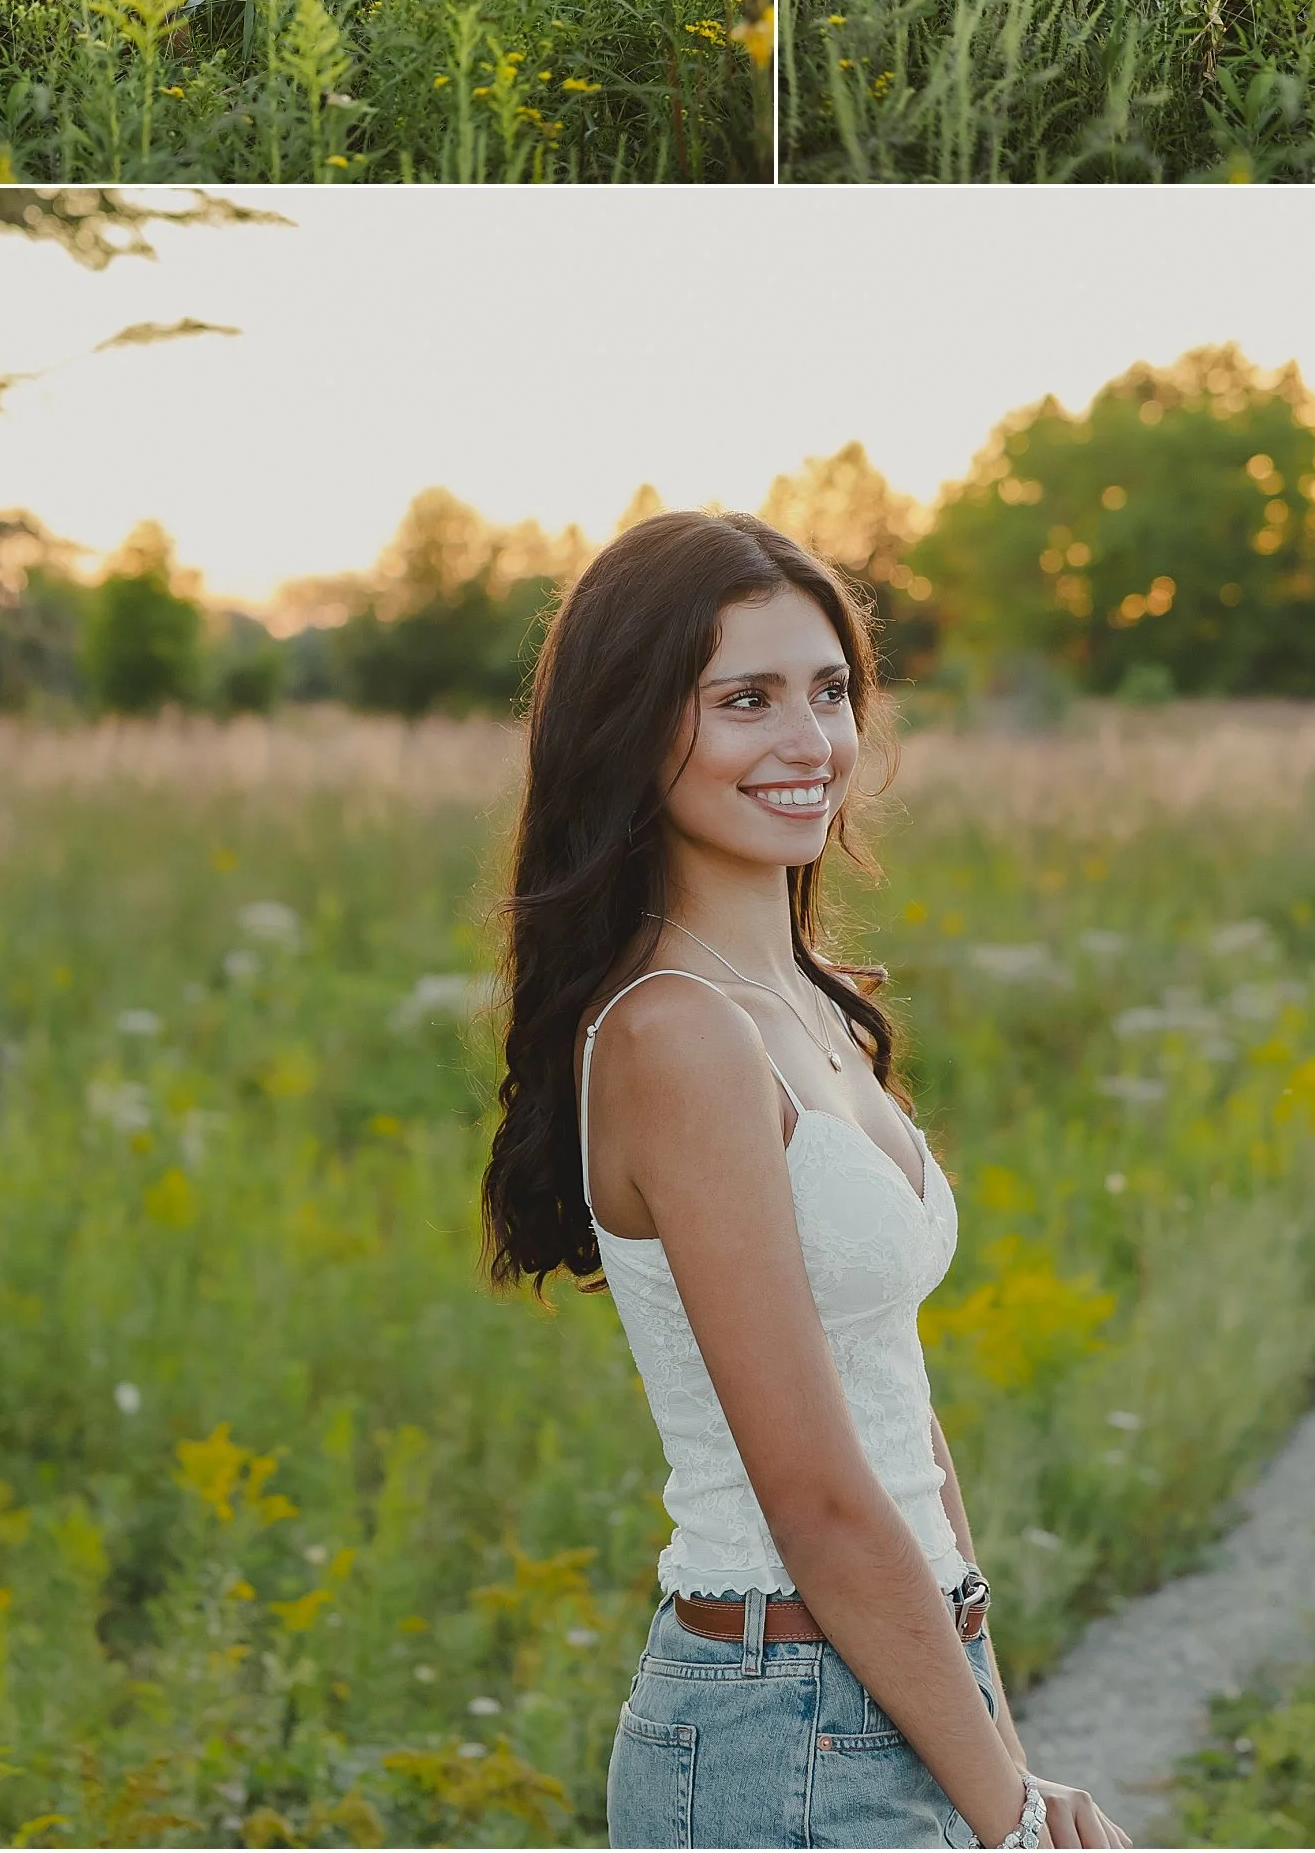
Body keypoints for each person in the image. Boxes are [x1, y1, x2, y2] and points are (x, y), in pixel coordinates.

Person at [482, 509, 1133, 1851]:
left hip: (893, 1672)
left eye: (830, 688)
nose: (810, 738)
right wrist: (1006, 1809)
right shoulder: (677, 1034)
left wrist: (999, 1747)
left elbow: (901, 1424)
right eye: (746, 698)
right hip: (780, 1722)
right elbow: (820, 1496)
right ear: (631, 726)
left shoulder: (802, 998)